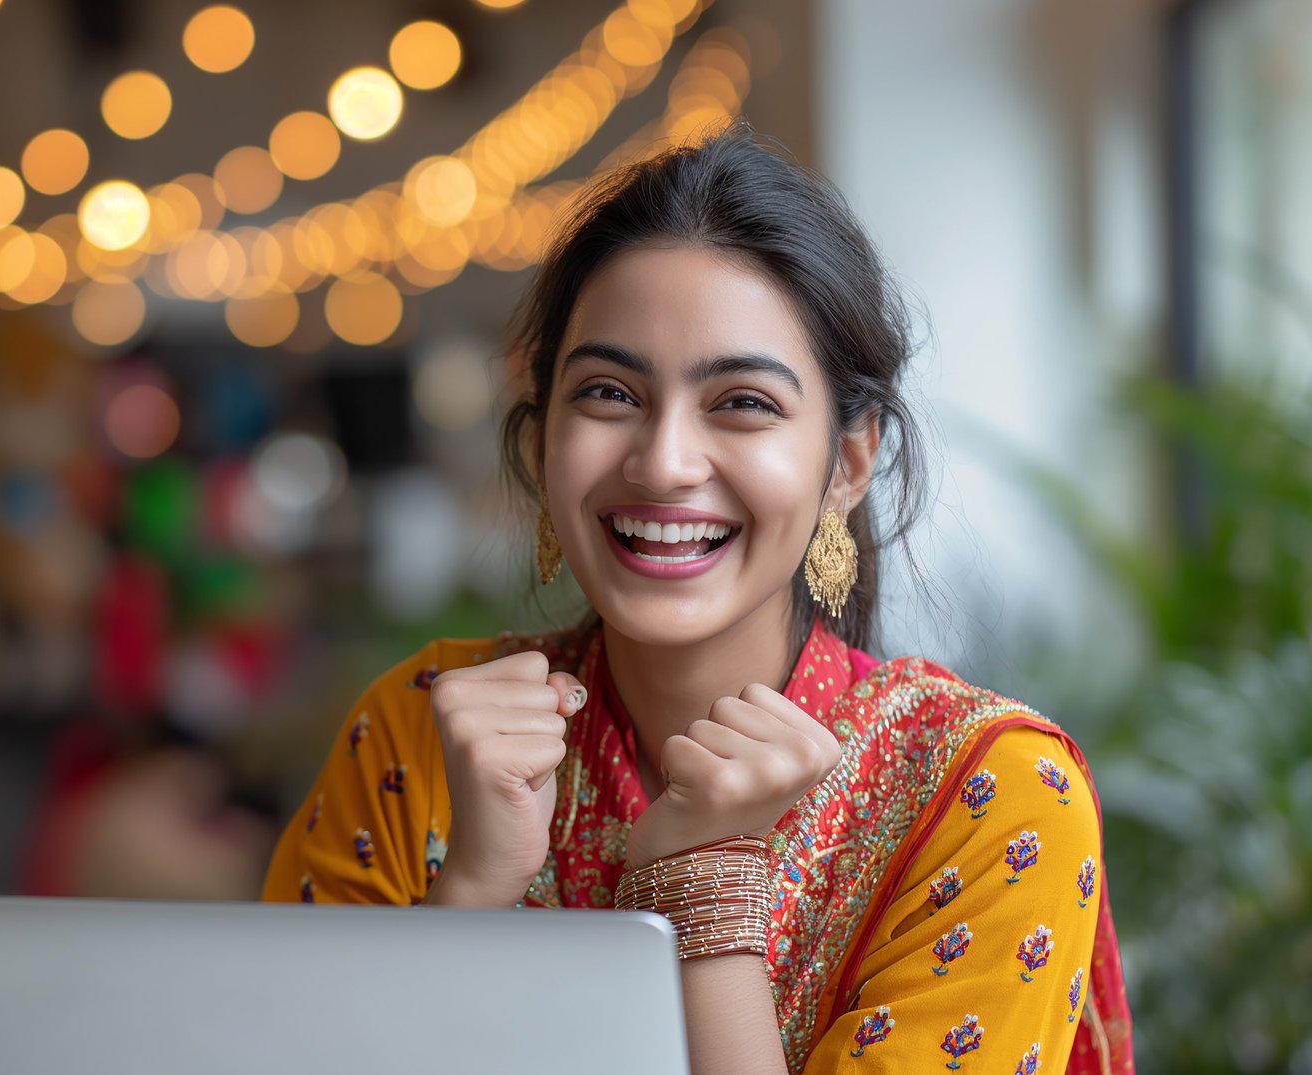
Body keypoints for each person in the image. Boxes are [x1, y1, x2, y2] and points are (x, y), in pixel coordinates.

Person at [261, 123, 1133, 1075]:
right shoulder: (424, 735)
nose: (664, 462)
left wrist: (705, 881)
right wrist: (469, 887)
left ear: (848, 462)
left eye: (743, 403)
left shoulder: (987, 796)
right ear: (542, 434)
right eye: (607, 393)